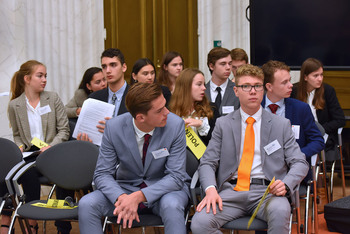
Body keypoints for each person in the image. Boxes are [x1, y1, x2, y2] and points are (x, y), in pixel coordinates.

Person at [191, 64, 309, 234]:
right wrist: (210, 189)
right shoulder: (223, 124)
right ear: (236, 91)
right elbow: (207, 162)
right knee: (200, 223)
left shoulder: (281, 124)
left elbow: (299, 162)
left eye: (257, 86)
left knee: (281, 211)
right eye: (246, 86)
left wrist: (285, 184)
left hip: (268, 192)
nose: (252, 91)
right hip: (231, 193)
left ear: (264, 90)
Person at [78, 83, 190, 234]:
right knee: (87, 204)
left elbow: (176, 177)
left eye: (165, 105)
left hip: (164, 190)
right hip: (126, 188)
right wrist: (122, 197)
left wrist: (138, 197)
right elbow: (102, 174)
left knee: (172, 205)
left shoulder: (175, 125)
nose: (167, 112)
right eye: (159, 110)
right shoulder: (113, 127)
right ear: (140, 117)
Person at [4, 60, 70, 234]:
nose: (44, 79)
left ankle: (62, 227)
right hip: (31, 156)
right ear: (27, 78)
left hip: (54, 154)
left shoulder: (53, 98)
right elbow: (17, 134)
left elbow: (64, 130)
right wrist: (19, 146)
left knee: (64, 175)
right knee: (22, 172)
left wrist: (51, 147)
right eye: (40, 76)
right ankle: (30, 222)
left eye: (45, 76)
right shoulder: (14, 105)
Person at [261, 60, 324, 182]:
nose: (291, 85)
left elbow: (317, 140)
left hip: (292, 170)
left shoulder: (300, 109)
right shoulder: (255, 108)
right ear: (269, 87)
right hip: (261, 171)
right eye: (285, 82)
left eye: (289, 80)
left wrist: (298, 155)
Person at [292, 58, 346, 153]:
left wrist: (319, 129)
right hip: (299, 136)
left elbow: (340, 120)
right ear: (305, 77)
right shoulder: (293, 91)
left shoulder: (328, 91)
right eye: (315, 76)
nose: (320, 79)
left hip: (321, 134)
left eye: (321, 75)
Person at [169, 68, 219, 145]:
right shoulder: (169, 111)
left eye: (204, 84)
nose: (204, 88)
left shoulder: (212, 108)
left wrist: (201, 125)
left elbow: (218, 140)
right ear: (186, 86)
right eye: (199, 84)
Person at [88, 48, 129, 134]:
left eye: (113, 65)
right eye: (104, 67)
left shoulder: (137, 96)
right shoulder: (94, 98)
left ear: (124, 67)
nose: (108, 71)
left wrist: (115, 127)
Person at [205, 47, 240, 116]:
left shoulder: (238, 90)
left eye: (230, 64)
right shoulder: (203, 91)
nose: (228, 68)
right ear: (211, 66)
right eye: (223, 64)